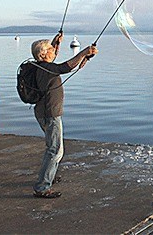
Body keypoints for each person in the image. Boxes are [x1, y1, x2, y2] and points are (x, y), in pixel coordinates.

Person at [31, 32, 98, 198]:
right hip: (50, 113)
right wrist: (83, 52)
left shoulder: (40, 66)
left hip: (43, 112)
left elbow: (55, 63)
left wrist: (56, 42)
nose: (54, 50)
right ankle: (42, 187)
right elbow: (65, 67)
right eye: (51, 49)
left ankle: (49, 176)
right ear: (44, 54)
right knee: (55, 150)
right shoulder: (47, 68)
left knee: (53, 147)